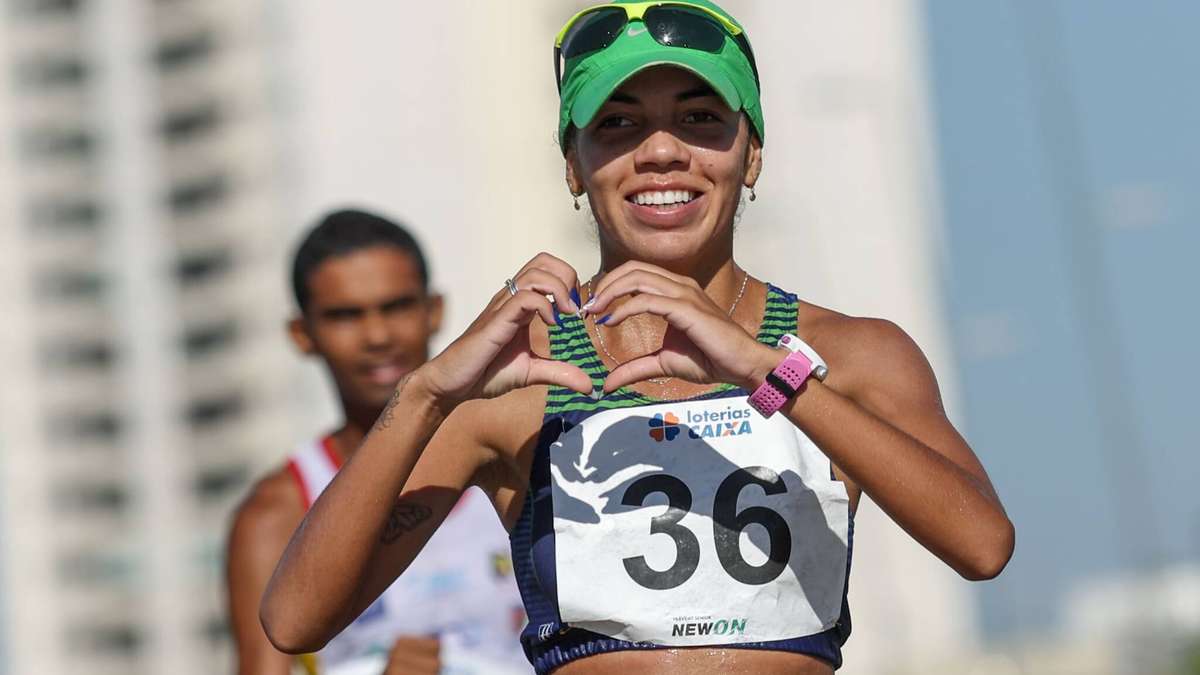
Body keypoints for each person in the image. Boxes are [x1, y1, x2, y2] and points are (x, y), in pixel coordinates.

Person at [260, 3, 1015, 673]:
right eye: (617, 124)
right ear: (573, 166)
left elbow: (982, 545)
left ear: (752, 153)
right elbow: (295, 620)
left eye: (700, 118)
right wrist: (424, 393)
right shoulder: (522, 376)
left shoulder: (851, 355)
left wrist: (767, 373)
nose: (661, 151)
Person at [226, 209, 528, 675]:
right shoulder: (277, 513)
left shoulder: (514, 455)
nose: (378, 336)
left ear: (435, 311)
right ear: (302, 335)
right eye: (346, 316)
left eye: (396, 306)